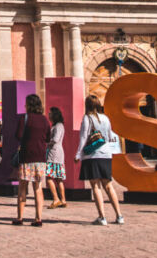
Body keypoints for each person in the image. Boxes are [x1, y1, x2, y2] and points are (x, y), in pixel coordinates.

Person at [77, 94, 123, 226]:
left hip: (92, 155)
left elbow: (83, 137)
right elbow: (108, 136)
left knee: (95, 186)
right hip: (106, 155)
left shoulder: (87, 118)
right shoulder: (105, 118)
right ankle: (119, 215)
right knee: (108, 185)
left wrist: (78, 154)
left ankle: (102, 217)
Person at [13, 93, 51, 227]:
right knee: (38, 188)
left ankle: (20, 217)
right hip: (40, 158)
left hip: (26, 157)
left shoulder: (25, 118)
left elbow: (18, 135)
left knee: (22, 187)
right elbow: (48, 137)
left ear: (29, 105)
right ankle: (38, 218)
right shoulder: (45, 120)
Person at [45, 106, 67, 209]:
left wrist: (46, 142)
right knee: (58, 179)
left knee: (49, 177)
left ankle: (56, 199)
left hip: (54, 154)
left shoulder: (58, 126)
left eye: (50, 114)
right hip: (57, 154)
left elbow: (55, 139)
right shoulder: (59, 125)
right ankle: (63, 200)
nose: (48, 115)